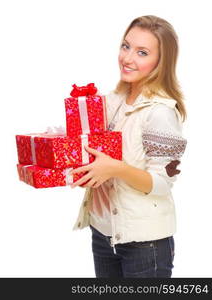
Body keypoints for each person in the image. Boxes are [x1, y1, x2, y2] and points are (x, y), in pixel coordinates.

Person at [69, 15, 187, 278]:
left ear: (160, 62)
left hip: (145, 244)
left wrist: (116, 169)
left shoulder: (159, 112)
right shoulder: (115, 102)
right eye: (126, 46)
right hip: (103, 234)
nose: (128, 58)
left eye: (142, 52)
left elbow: (162, 182)